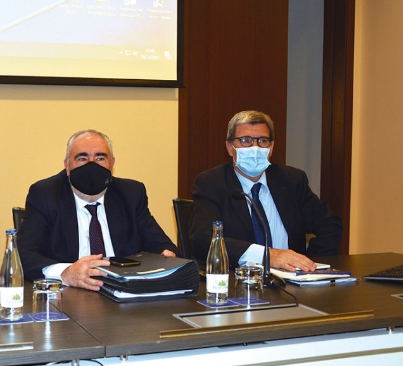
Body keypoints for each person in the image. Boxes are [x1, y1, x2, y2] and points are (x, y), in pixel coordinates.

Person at [17, 129, 178, 291]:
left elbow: (161, 245)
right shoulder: (46, 194)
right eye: (82, 158)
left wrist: (166, 255)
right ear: (67, 166)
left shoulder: (131, 194)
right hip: (69, 294)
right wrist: (65, 273)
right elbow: (22, 256)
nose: (91, 165)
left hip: (122, 293)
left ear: (112, 164)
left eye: (100, 158)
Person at [190, 110, 342, 272]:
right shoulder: (211, 182)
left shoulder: (291, 180)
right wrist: (267, 255)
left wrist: (310, 264)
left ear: (271, 147)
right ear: (230, 147)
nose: (255, 147)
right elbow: (203, 239)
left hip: (292, 281)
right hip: (238, 281)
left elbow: (330, 224)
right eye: (245, 140)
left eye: (262, 141)